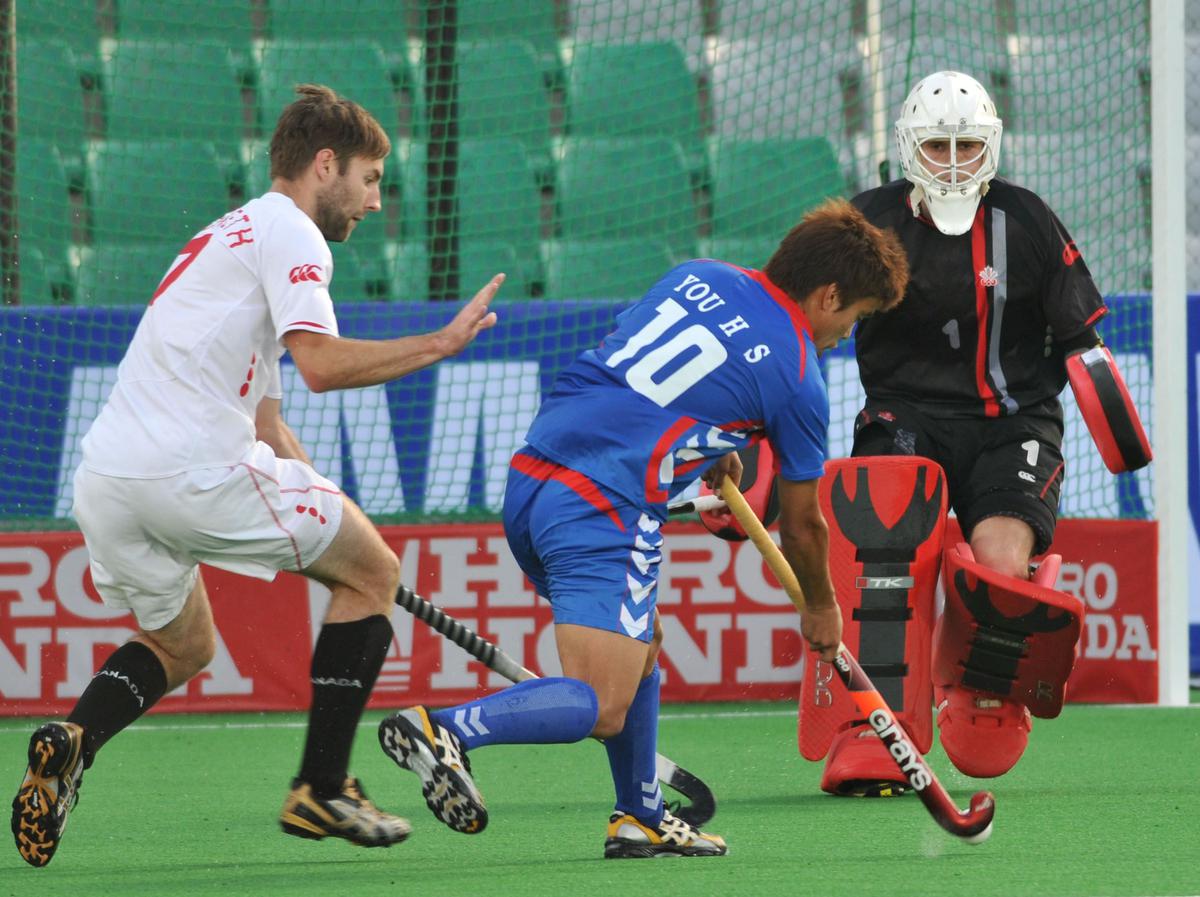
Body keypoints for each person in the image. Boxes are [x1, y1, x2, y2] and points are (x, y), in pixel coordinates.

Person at [10, 84, 501, 868]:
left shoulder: (228, 234)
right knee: (375, 573)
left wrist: (333, 517)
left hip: (108, 478)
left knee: (184, 642)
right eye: (370, 179)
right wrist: (440, 343)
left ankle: (73, 740)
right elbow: (321, 364)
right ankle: (322, 785)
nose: (374, 202)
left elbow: (268, 419)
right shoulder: (295, 234)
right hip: (190, 469)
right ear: (325, 164)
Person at [376, 198, 910, 857]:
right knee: (602, 703)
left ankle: (641, 814)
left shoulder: (701, 274)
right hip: (604, 507)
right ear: (828, 294)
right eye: (854, 318)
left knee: (642, 643)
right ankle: (447, 728)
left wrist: (710, 444)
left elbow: (648, 381)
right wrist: (823, 607)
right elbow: (803, 525)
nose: (846, 336)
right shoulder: (799, 376)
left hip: (534, 476)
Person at [820, 70, 1112, 794]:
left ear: (993, 147)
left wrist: (1108, 405)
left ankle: (986, 680)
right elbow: (807, 319)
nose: (954, 162)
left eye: (968, 145)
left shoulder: (1030, 220)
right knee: (885, 564)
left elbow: (1083, 337)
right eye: (940, 145)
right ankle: (879, 726)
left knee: (997, 565)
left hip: (1014, 421)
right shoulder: (866, 223)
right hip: (905, 414)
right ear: (909, 148)